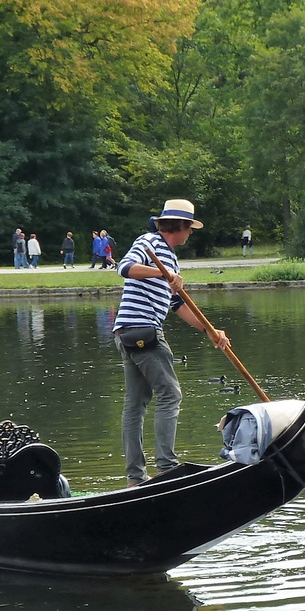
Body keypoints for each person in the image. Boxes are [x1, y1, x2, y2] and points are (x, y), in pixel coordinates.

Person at [112, 198, 230, 487]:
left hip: (129, 332)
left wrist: (211, 331)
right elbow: (124, 268)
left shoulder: (171, 258)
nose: (190, 233)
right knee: (171, 394)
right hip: (142, 331)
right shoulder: (149, 242)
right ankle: (167, 468)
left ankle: (135, 479)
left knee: (136, 403)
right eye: (190, 228)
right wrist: (163, 273)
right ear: (180, 226)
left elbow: (179, 305)